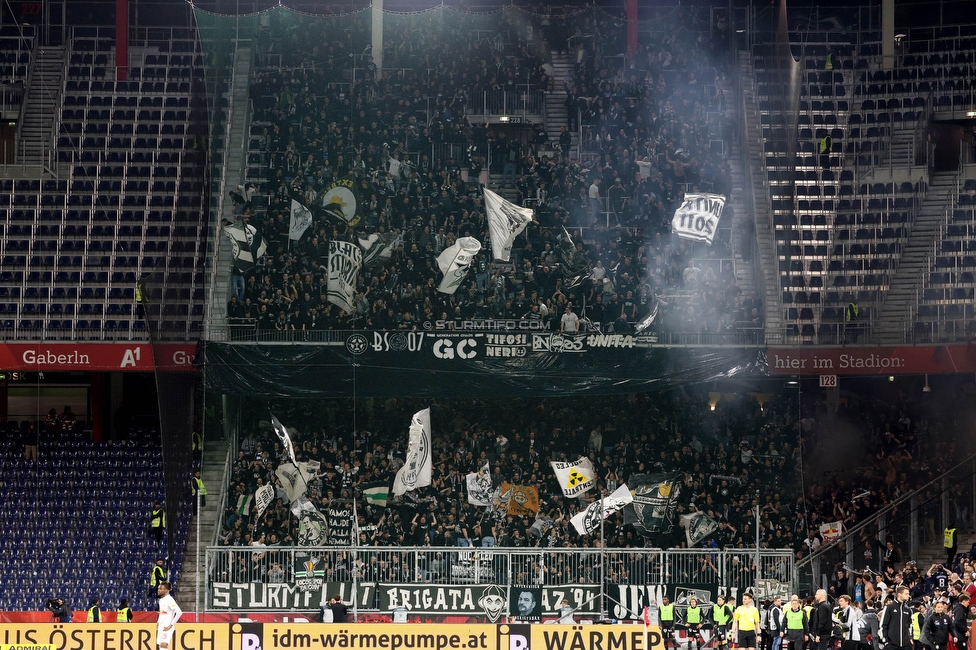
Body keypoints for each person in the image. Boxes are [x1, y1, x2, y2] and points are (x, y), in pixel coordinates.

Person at [879, 585, 914, 650]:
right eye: (906, 594)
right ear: (899, 595)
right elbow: (883, 625)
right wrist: (885, 641)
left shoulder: (908, 610)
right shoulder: (889, 608)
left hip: (906, 645)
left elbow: (910, 626)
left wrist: (909, 639)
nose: (908, 596)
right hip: (891, 645)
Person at [157, 582, 182, 650]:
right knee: (161, 646)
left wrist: (171, 625)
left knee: (163, 645)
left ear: (166, 590)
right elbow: (162, 612)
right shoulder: (161, 600)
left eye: (161, 589)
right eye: (158, 588)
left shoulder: (169, 600)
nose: (158, 590)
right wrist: (158, 621)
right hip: (161, 626)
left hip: (167, 626)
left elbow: (179, 612)